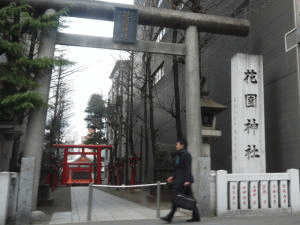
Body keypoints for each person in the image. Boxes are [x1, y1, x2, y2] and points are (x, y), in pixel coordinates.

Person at [161, 138, 200, 223]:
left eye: (177, 144)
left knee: (177, 198)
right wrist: (173, 177)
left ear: (182, 145)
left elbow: (187, 168)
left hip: (183, 181)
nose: (176, 146)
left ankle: (170, 216)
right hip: (180, 179)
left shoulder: (186, 155)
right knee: (190, 198)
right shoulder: (180, 155)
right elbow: (178, 169)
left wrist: (188, 180)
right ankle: (196, 216)